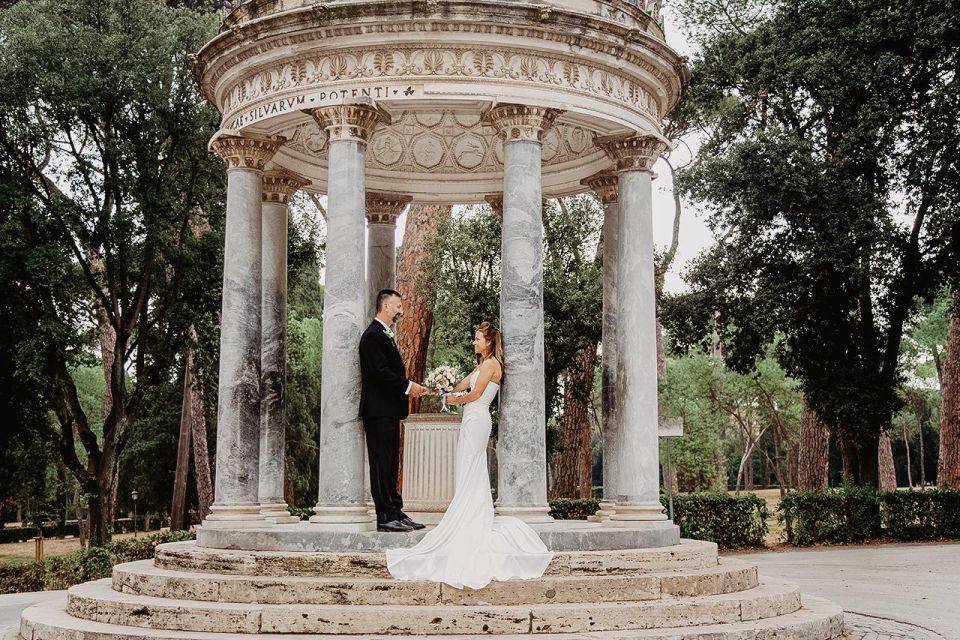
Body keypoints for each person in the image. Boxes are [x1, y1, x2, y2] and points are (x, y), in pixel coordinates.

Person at [385, 321, 554, 589]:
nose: (474, 342)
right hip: (469, 419)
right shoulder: (481, 364)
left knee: (473, 466)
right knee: (467, 469)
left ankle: (473, 517)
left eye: (477, 339)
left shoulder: (492, 365)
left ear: (488, 341)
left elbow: (474, 394)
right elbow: (462, 384)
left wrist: (454, 401)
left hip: (477, 419)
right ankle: (467, 513)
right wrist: (437, 388)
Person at [359, 289, 429, 533]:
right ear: (385, 306)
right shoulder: (372, 336)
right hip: (377, 411)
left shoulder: (384, 335)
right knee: (381, 464)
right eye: (398, 306)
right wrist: (409, 386)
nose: (401, 311)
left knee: (390, 464)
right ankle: (385, 516)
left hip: (388, 411)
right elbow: (380, 373)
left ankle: (395, 511)